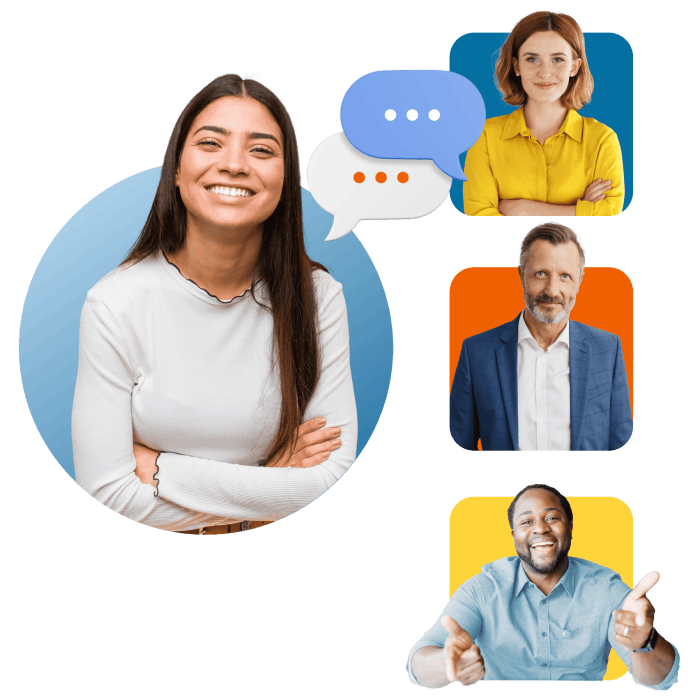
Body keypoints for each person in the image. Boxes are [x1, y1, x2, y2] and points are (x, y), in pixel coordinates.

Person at [72, 72, 358, 533]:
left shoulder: (318, 297)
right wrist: (272, 484)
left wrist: (163, 470)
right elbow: (106, 494)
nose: (235, 165)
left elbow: (330, 477)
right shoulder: (114, 304)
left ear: (286, 181)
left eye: (261, 149)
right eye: (211, 143)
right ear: (177, 171)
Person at [407, 486, 679, 686]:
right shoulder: (482, 589)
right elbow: (417, 665)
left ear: (570, 526)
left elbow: (661, 681)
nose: (540, 529)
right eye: (526, 522)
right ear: (514, 534)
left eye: (552, 518)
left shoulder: (606, 589)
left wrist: (646, 642)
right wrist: (446, 663)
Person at [450, 222, 632, 451]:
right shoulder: (475, 352)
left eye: (565, 276)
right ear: (521, 275)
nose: (552, 290)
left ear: (580, 281)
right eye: (540, 273)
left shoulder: (608, 349)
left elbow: (620, 441)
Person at [463, 11, 624, 216]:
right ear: (516, 66)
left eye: (557, 59)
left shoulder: (602, 139)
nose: (545, 73)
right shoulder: (484, 136)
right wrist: (581, 209)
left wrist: (522, 209)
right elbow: (479, 213)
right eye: (532, 59)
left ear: (574, 67)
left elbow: (610, 211)